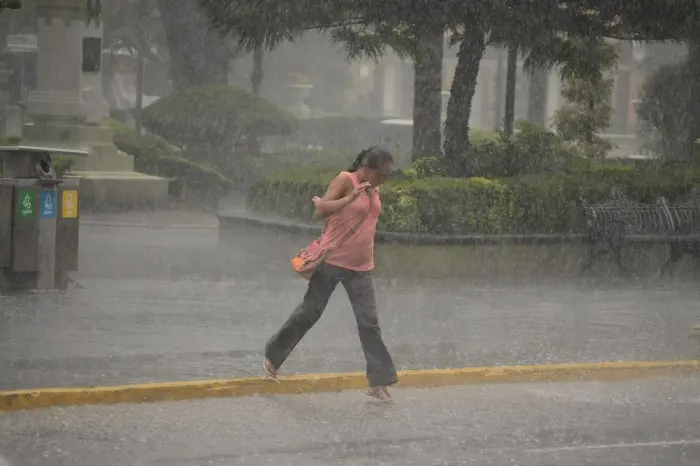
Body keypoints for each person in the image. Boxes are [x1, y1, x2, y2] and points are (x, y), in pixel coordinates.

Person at [263, 147, 398, 402]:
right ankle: (273, 356)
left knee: (369, 322)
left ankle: (379, 382)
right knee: (310, 312)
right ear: (367, 167)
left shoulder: (374, 188)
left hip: (361, 267)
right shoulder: (346, 180)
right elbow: (321, 210)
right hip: (332, 261)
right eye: (383, 174)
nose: (385, 180)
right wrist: (348, 199)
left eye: (388, 176)